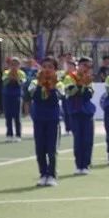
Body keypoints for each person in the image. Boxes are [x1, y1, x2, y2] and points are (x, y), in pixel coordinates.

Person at [28, 57, 62, 187]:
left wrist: (51, 86)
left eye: (50, 67)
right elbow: (34, 97)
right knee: (40, 149)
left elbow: (55, 99)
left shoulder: (59, 83)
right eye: (44, 66)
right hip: (39, 119)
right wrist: (40, 84)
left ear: (55, 70)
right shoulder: (35, 82)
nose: (47, 69)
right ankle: (43, 174)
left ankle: (52, 174)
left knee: (51, 149)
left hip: (52, 120)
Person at [64, 58, 97, 175]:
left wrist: (83, 86)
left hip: (87, 111)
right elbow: (70, 92)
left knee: (88, 139)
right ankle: (79, 165)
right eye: (85, 66)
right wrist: (82, 85)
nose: (87, 69)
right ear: (79, 65)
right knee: (78, 139)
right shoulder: (70, 77)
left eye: (89, 66)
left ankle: (86, 164)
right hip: (75, 110)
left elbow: (89, 94)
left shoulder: (88, 78)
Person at [2, 57, 26, 142]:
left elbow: (22, 84)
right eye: (12, 64)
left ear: (19, 65)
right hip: (7, 96)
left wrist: (16, 77)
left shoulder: (21, 73)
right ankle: (9, 134)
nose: (14, 66)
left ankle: (18, 135)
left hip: (17, 96)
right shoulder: (6, 72)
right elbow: (4, 82)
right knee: (8, 116)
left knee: (17, 116)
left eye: (16, 64)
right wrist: (10, 77)